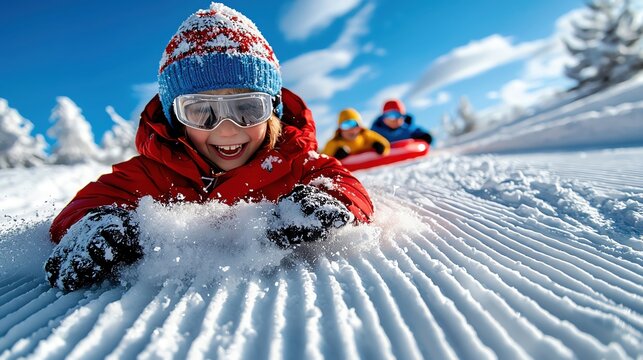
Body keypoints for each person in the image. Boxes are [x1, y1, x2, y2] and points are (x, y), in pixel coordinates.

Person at [45, 3, 374, 292]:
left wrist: (327, 201)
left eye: (247, 108)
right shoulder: (156, 173)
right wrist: (101, 224)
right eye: (201, 111)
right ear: (177, 119)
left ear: (272, 110)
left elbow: (347, 186)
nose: (227, 128)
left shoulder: (293, 161)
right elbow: (81, 208)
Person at [321, 108, 390, 160]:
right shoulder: (335, 143)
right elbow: (324, 158)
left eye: (354, 124)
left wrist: (380, 146)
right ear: (340, 129)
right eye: (346, 125)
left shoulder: (366, 135)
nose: (351, 129)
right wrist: (335, 157)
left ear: (360, 127)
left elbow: (385, 143)